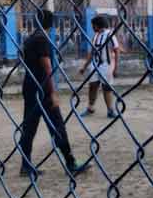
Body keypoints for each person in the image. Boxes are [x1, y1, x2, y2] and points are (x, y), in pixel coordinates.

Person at [18, 10, 88, 177]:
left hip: (29, 86)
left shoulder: (29, 39)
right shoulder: (42, 39)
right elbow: (47, 67)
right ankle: (71, 163)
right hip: (42, 88)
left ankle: (25, 165)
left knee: (29, 127)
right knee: (57, 125)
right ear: (51, 23)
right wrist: (53, 92)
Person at [79, 15, 120, 119]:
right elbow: (92, 52)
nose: (92, 27)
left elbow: (117, 50)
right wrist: (85, 66)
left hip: (107, 65)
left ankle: (110, 110)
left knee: (107, 88)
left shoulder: (110, 34)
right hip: (95, 64)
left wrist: (116, 67)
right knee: (92, 86)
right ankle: (90, 108)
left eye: (93, 25)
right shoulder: (96, 36)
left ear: (97, 25)